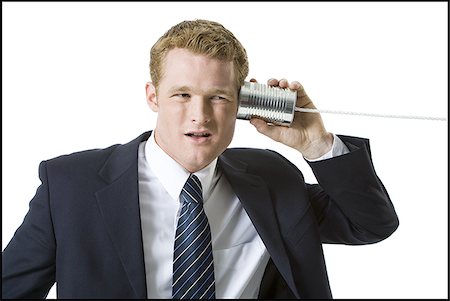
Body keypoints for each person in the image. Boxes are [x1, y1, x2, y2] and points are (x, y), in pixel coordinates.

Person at [2, 19, 399, 299]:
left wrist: (316, 143)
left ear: (242, 104)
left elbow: (370, 224)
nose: (200, 115)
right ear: (153, 96)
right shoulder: (70, 186)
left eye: (218, 97)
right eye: (182, 95)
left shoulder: (272, 178)